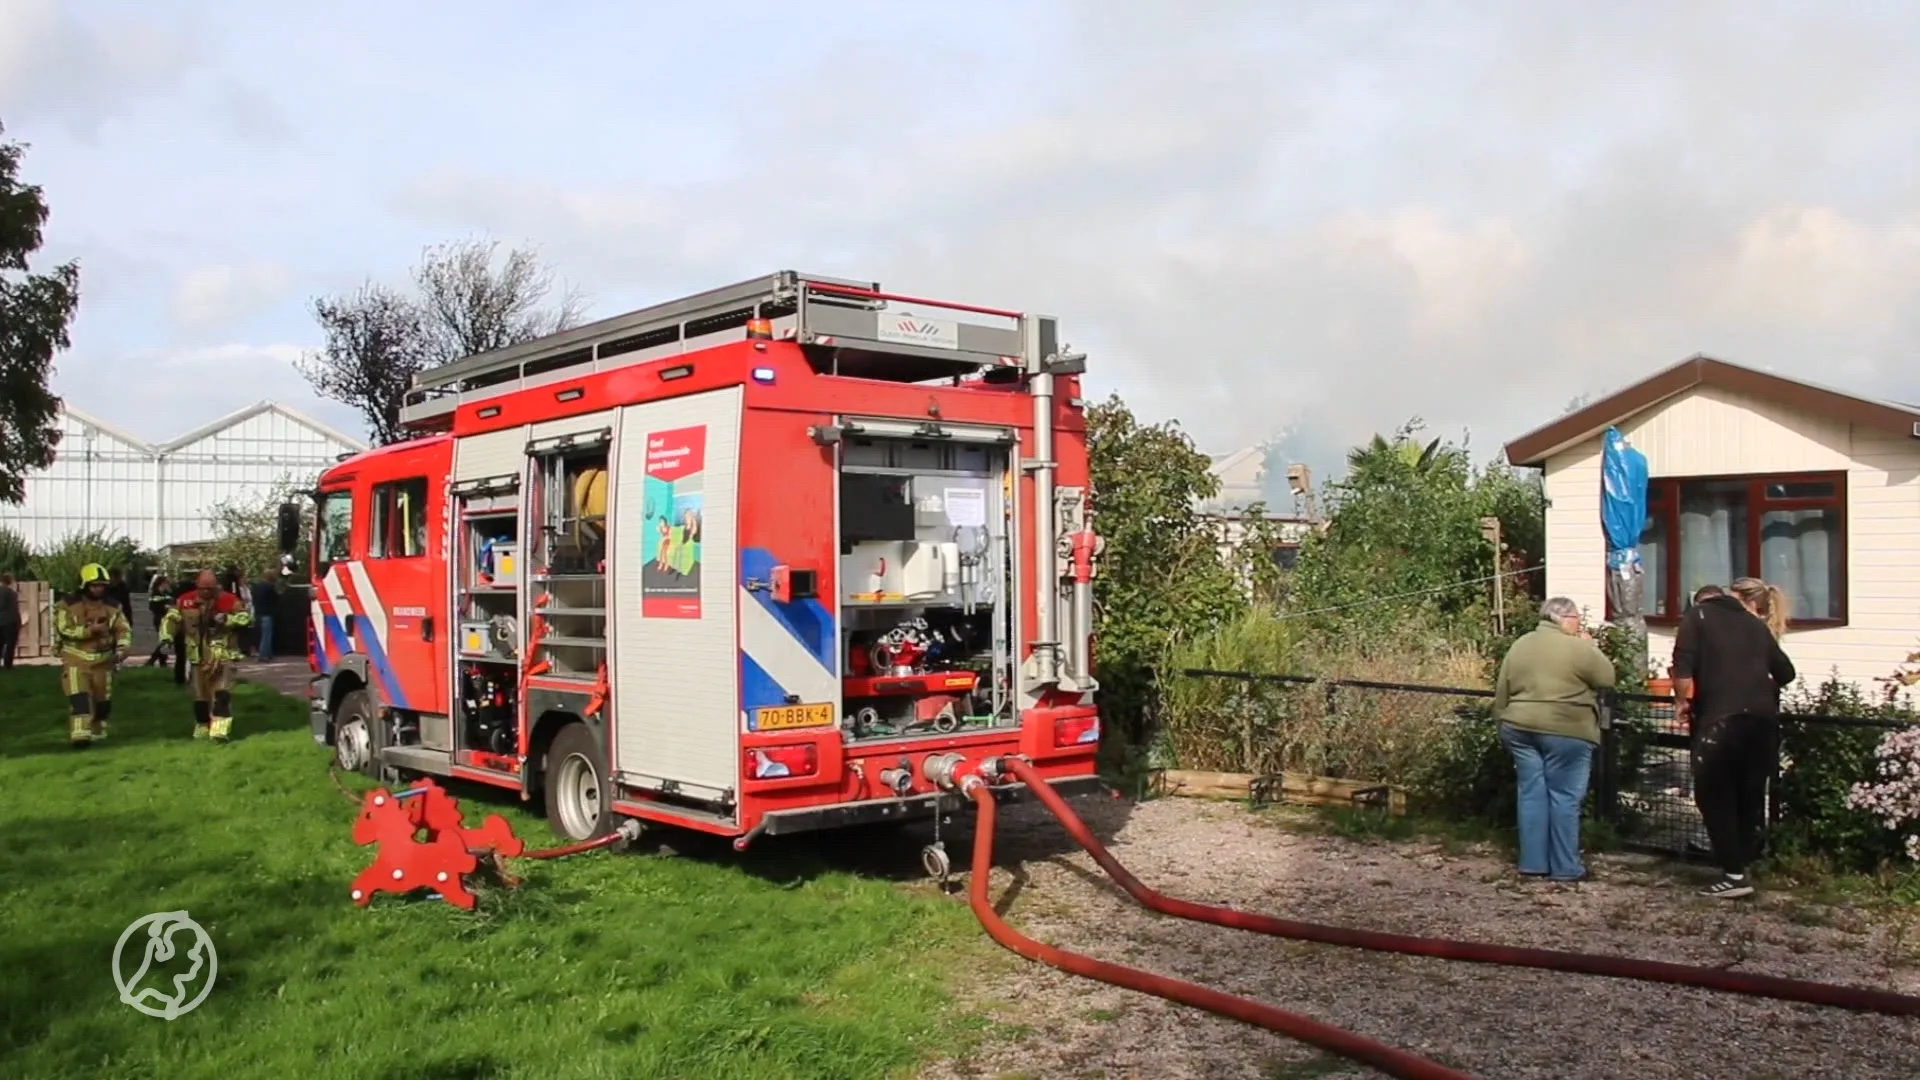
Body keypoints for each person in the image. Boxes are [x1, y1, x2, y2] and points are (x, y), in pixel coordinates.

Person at [1673, 576, 1795, 899]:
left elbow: (1683, 670)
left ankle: (1733, 875)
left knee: (1714, 796)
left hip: (1720, 722)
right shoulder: (1756, 626)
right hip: (1761, 723)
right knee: (1748, 797)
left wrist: (1683, 704)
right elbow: (1786, 673)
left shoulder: (1696, 618)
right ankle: (1744, 866)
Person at [1492, 596, 1618, 882]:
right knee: (1564, 797)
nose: (1579, 625)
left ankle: (1533, 863)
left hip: (1519, 726)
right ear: (1566, 619)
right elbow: (1607, 677)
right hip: (1566, 729)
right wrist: (1590, 646)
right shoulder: (1576, 647)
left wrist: (1501, 723)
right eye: (1577, 619)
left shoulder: (1520, 644)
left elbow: (1502, 689)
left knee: (1532, 794)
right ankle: (1566, 867)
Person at [160, 570, 253, 742]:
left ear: (216, 586)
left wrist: (227, 619)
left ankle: (219, 731)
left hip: (224, 655)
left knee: (222, 694)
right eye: (203, 589)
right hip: (198, 656)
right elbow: (171, 619)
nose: (206, 593)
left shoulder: (229, 600)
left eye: (210, 589)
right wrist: (167, 638)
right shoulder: (185, 601)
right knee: (200, 696)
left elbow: (246, 618)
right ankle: (202, 726)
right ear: (197, 586)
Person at [53, 563, 132, 745]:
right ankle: (80, 734)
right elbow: (64, 629)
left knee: (103, 702)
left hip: (104, 660)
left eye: (102, 585)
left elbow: (123, 630)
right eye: (94, 585)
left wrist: (122, 650)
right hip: (76, 658)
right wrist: (90, 631)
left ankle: (97, 728)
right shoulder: (67, 605)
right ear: (84, 585)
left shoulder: (114, 607)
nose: (98, 589)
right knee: (79, 698)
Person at [250, 572, 279, 661]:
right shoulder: (270, 588)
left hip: (258, 613)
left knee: (264, 635)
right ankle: (263, 655)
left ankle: (268, 653)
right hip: (267, 613)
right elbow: (276, 598)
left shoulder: (256, 587)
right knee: (266, 636)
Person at [0, 572, 20, 669]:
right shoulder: (11, 593)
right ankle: (8, 664)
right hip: (10, 622)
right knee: (10, 644)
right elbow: (15, 609)